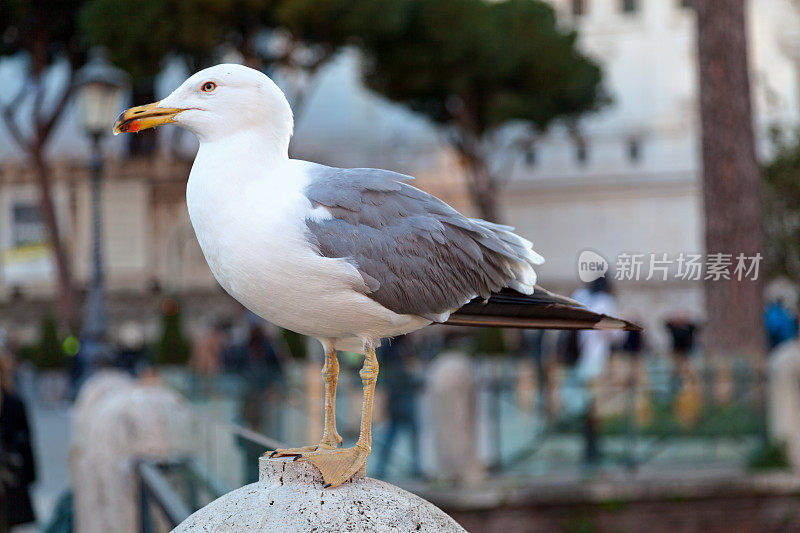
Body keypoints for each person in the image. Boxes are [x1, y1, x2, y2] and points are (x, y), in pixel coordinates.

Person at [569, 276, 623, 469]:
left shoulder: (581, 296)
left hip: (576, 360)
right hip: (596, 360)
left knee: (586, 408)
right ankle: (594, 452)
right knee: (595, 409)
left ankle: (589, 450)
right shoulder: (604, 301)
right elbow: (615, 335)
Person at [375, 335, 422, 479]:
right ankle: (415, 467)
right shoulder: (397, 354)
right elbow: (400, 378)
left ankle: (382, 468)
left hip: (398, 399)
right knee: (405, 433)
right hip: (401, 399)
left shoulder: (391, 352)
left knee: (394, 434)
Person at [0, 353, 36, 530]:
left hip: (10, 478)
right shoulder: (14, 402)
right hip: (11, 478)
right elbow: (26, 443)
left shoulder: (14, 402)